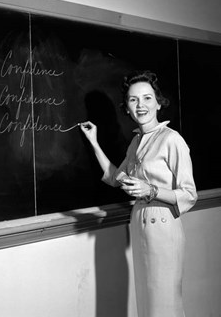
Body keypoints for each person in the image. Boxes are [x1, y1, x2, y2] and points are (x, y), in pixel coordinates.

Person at [80, 70, 197, 317]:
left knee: (164, 304)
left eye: (146, 98)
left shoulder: (171, 139)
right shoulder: (136, 142)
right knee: (147, 303)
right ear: (127, 107)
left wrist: (151, 190)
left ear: (158, 102)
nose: (140, 105)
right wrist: (94, 142)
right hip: (140, 224)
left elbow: (189, 194)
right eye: (133, 100)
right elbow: (115, 178)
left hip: (164, 225)